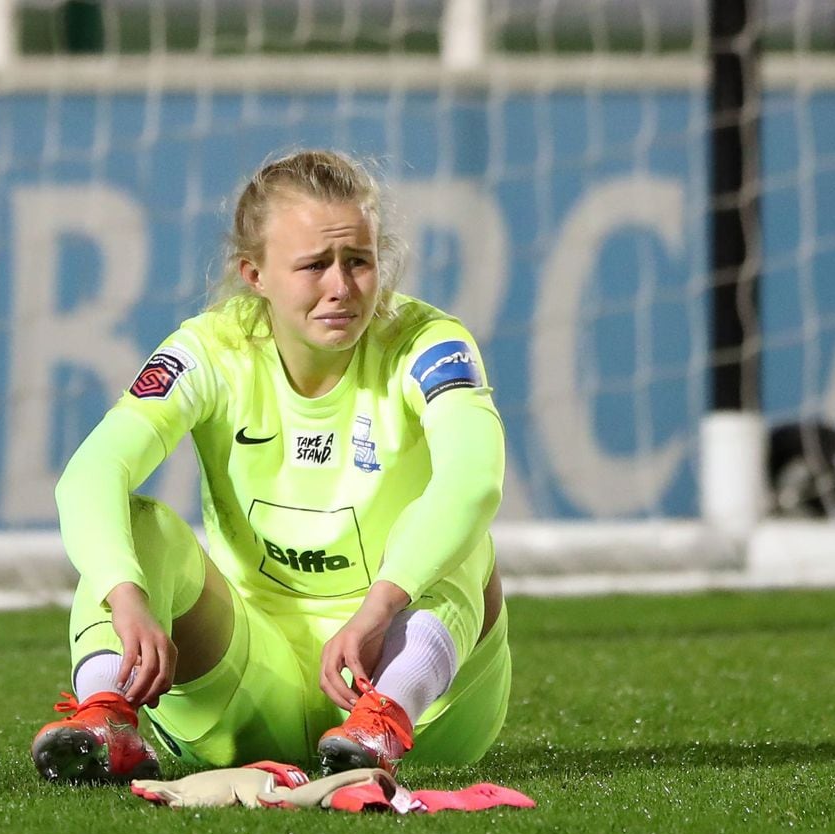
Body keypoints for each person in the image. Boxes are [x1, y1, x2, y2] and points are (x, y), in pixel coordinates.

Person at [31, 149, 510, 784]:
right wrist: (126, 596)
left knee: (463, 532)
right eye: (314, 266)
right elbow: (91, 472)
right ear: (254, 274)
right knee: (138, 526)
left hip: (426, 705)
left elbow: (475, 478)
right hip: (253, 681)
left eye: (358, 262)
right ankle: (105, 715)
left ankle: (385, 719)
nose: (341, 287)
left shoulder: (428, 343)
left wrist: (376, 609)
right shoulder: (212, 350)